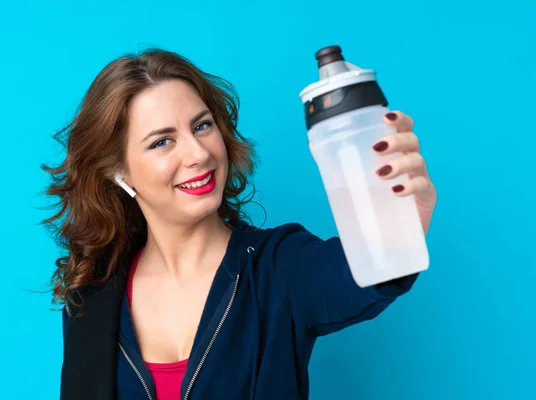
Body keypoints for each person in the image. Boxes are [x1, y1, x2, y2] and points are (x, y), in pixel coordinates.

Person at [43, 48, 437, 400]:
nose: (198, 153)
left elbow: (367, 271)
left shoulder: (278, 268)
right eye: (162, 141)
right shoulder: (92, 298)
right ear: (119, 173)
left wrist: (401, 219)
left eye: (202, 126)